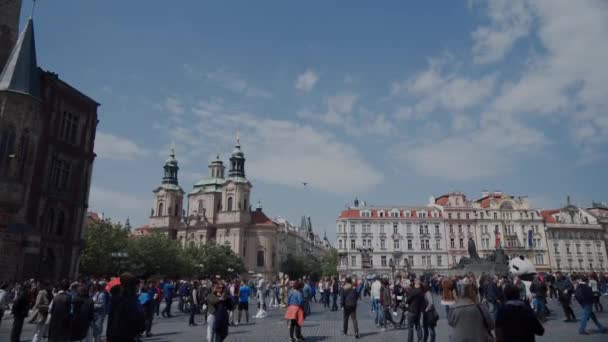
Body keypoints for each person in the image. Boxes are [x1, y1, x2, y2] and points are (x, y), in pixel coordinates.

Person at [106, 272, 146, 342]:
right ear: (134, 286)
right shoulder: (132, 301)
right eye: (137, 286)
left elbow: (111, 320)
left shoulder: (115, 298)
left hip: (113, 336)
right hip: (127, 336)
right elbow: (140, 323)